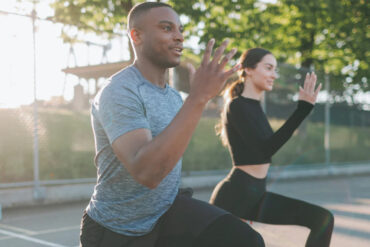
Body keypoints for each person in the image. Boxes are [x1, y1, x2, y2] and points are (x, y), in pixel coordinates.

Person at [80, 2, 265, 247]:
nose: (179, 37)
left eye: (180, 29)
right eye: (167, 28)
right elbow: (147, 173)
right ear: (136, 35)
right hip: (118, 228)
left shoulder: (173, 97)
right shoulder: (119, 91)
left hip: (165, 212)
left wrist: (196, 99)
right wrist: (198, 98)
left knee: (245, 240)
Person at [210, 48, 335, 247]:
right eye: (268, 68)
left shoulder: (255, 106)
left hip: (256, 195)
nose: (274, 75)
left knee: (322, 219)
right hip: (235, 196)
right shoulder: (237, 105)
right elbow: (265, 150)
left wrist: (303, 109)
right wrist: (301, 110)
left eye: (276, 70)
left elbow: (267, 147)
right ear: (248, 70)